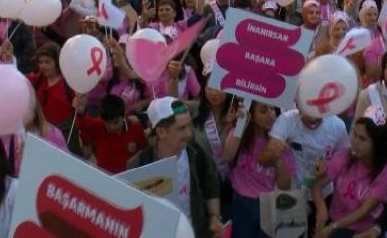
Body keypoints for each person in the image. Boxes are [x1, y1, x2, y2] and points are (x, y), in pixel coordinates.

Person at [128, 97, 223, 238]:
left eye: (189, 125)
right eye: (181, 128)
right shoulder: (139, 163)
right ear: (161, 132)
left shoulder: (196, 153)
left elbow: (211, 187)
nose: (189, 133)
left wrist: (214, 217)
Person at [258, 104, 350, 237]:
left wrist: (330, 166)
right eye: (307, 110)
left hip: (325, 194)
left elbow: (345, 160)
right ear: (298, 105)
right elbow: (263, 159)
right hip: (295, 194)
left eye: (317, 114)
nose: (312, 119)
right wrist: (273, 153)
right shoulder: (287, 120)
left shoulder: (337, 126)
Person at [312, 105, 387, 238]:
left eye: (362, 139)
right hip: (337, 223)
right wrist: (321, 208)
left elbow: (363, 211)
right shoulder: (345, 157)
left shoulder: (383, 172)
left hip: (365, 229)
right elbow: (317, 185)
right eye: (354, 134)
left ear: (378, 143)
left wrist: (332, 227)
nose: (354, 141)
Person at [222, 101, 295, 238]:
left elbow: (285, 185)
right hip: (241, 203)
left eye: (272, 108)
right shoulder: (240, 134)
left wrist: (278, 160)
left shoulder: (281, 141)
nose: (270, 115)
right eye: (263, 111)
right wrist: (241, 125)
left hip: (270, 206)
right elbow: (226, 156)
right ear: (252, 114)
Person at [73, 94, 147, 174]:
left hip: (131, 179)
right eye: (107, 123)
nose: (112, 127)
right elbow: (83, 124)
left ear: (124, 115)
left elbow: (143, 154)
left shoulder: (136, 128)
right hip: (106, 180)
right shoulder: (97, 127)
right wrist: (81, 111)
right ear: (101, 119)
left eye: (116, 122)